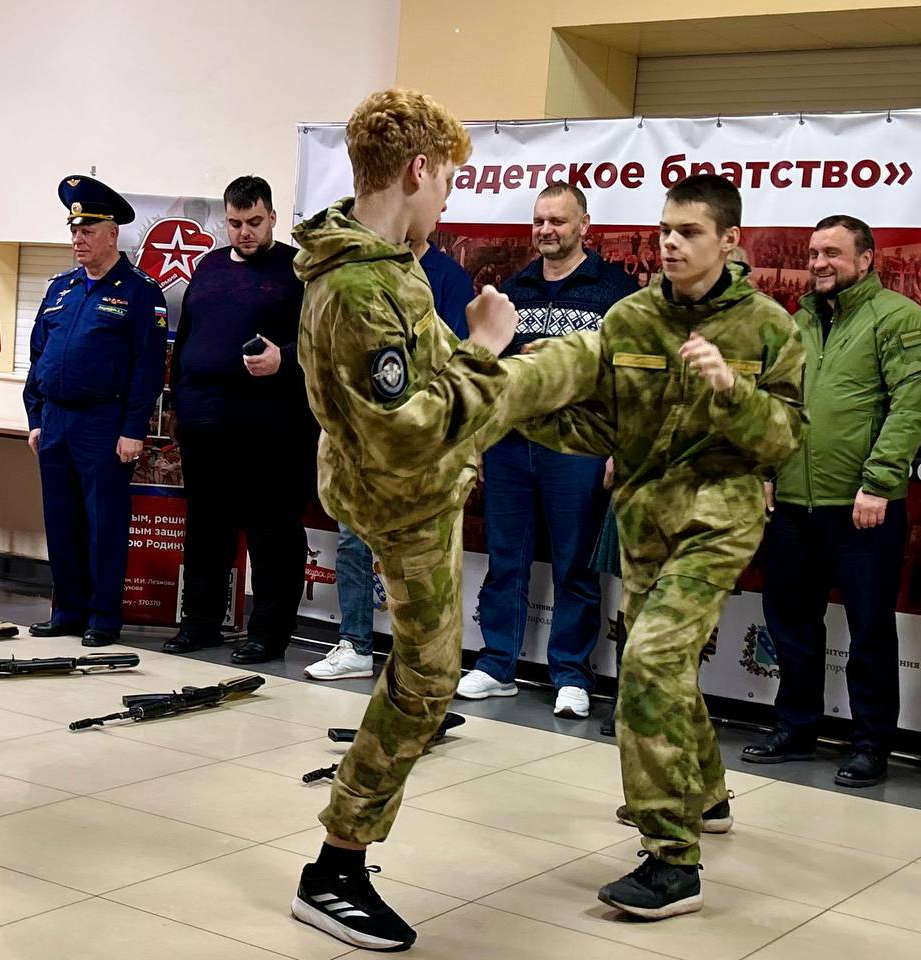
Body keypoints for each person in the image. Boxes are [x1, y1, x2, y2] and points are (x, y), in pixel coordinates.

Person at [286, 87, 599, 952]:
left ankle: (339, 861)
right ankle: (335, 869)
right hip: (404, 498)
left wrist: (469, 357)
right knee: (423, 687)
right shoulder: (356, 287)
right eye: (449, 181)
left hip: (420, 492)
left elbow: (420, 397)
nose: (450, 199)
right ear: (417, 170)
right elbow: (407, 428)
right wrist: (490, 352)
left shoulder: (394, 265)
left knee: (425, 687)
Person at [520, 174, 805, 919]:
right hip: (644, 516)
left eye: (689, 232)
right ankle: (704, 796)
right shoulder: (629, 319)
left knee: (648, 663)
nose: (671, 243)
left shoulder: (770, 326)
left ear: (729, 241)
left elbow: (785, 439)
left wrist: (730, 390)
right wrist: (517, 412)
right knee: (664, 663)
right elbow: (598, 429)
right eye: (665, 231)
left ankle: (672, 858)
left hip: (722, 517)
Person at [742, 216, 921, 787]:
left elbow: (911, 408)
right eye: (813, 253)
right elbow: (776, 400)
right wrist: (767, 470)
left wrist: (878, 483)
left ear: (867, 259)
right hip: (794, 505)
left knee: (870, 628)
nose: (820, 263)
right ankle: (796, 728)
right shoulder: (796, 321)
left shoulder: (902, 321)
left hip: (863, 507)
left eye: (833, 252)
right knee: (790, 622)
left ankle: (871, 743)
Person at [457, 183, 636, 718]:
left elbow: (628, 377)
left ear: (585, 224)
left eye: (558, 220)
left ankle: (571, 675)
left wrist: (619, 449)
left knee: (574, 565)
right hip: (513, 444)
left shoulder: (615, 291)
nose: (546, 230)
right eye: (539, 220)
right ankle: (496, 665)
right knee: (505, 558)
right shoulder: (514, 290)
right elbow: (495, 372)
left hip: (579, 449)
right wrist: (484, 438)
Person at [307, 232, 473, 682]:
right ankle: (356, 643)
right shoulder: (364, 275)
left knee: (420, 554)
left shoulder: (449, 280)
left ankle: (417, 662)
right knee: (351, 541)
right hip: (361, 435)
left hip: (420, 438)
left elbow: (455, 361)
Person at [164, 176, 317, 664]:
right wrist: (181, 403)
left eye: (254, 222)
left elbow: (327, 340)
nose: (245, 232)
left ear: (273, 216)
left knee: (273, 533)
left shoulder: (298, 269)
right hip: (205, 425)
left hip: (272, 429)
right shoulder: (208, 267)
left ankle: (269, 634)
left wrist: (285, 358)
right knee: (207, 530)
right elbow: (188, 337)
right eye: (235, 223)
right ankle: (201, 623)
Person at [23, 176, 167, 647]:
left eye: (88, 230)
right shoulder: (61, 288)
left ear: (112, 234)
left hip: (104, 424)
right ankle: (67, 609)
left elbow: (148, 368)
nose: (78, 240)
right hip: (57, 421)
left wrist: (133, 430)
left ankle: (103, 617)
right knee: (60, 519)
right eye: (74, 231)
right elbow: (39, 353)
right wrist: (36, 417)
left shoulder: (140, 291)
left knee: (104, 523)